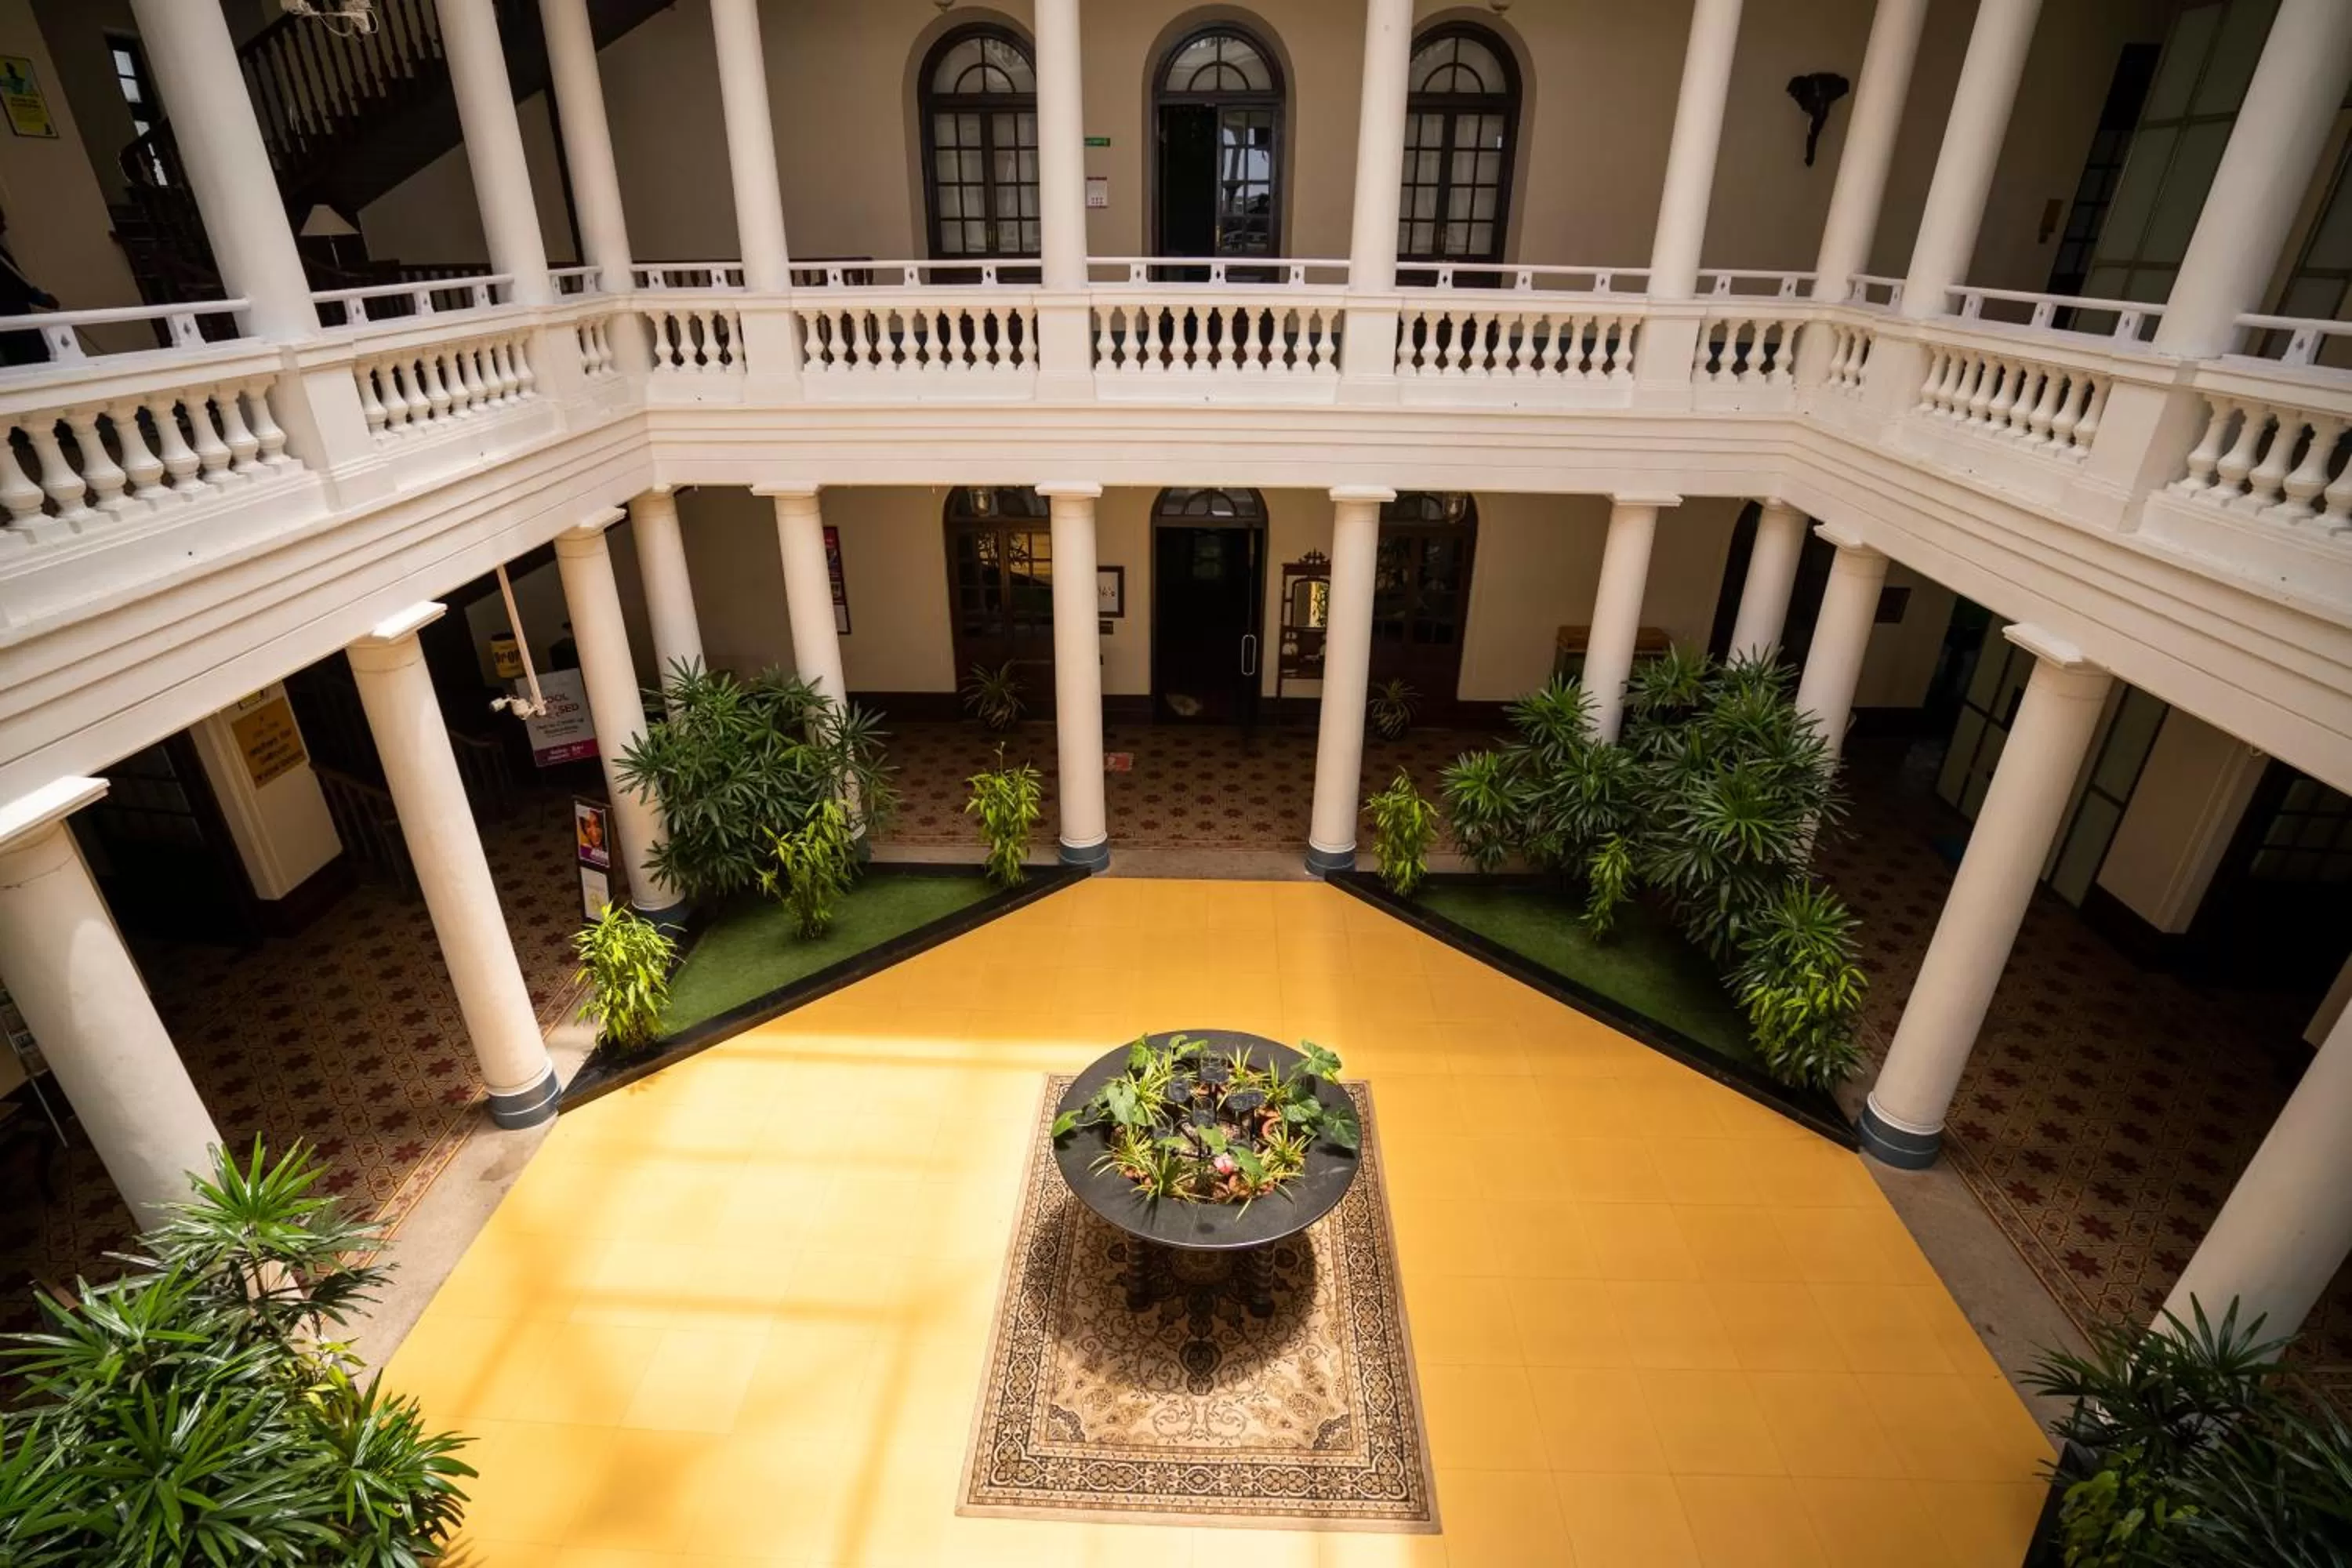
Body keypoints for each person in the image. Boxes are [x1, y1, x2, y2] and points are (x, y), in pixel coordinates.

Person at [0, 208, 57, 366]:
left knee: (38, 362)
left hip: (22, 321)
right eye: (0, 222)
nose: (5, 227)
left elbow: (18, 284)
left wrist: (40, 298)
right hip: (8, 329)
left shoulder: (2, 254)